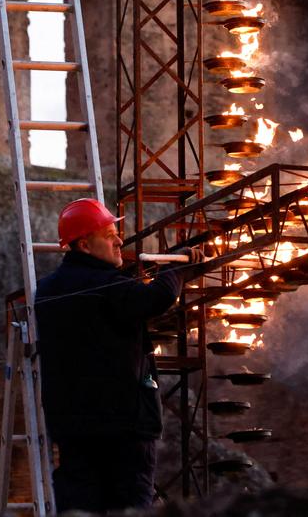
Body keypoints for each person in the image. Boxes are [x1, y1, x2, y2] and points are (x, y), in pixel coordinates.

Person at [35, 198, 205, 513]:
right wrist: (177, 267)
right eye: (109, 234)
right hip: (123, 427)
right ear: (85, 245)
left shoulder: (47, 289)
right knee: (130, 507)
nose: (119, 240)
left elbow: (118, 302)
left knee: (79, 507)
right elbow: (157, 297)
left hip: (74, 427)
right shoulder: (108, 287)